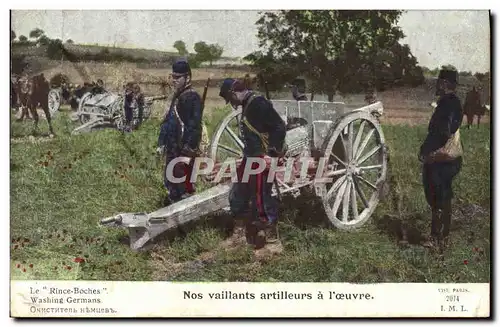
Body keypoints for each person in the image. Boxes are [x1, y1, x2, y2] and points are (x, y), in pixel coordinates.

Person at [218, 78, 287, 252]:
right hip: (250, 157)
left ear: (234, 93)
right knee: (238, 192)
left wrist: (272, 153)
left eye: (230, 99)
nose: (232, 104)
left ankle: (271, 240)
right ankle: (240, 234)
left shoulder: (259, 103)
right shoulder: (247, 104)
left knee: (262, 197)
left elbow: (279, 127)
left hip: (263, 158)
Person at [419, 69, 463, 249]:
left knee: (438, 199)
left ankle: (437, 239)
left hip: (441, 160)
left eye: (439, 82)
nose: (437, 85)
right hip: (447, 159)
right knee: (441, 198)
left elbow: (444, 131)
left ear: (444, 84)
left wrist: (429, 153)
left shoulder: (447, 104)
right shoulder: (453, 102)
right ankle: (441, 238)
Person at [158, 59, 203, 205]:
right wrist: (162, 142)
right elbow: (169, 121)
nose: (174, 80)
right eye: (173, 77)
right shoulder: (177, 96)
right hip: (173, 147)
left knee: (182, 184)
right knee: (171, 182)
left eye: (178, 77)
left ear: (188, 78)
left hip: (183, 150)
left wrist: (189, 149)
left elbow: (194, 125)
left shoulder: (192, 97)